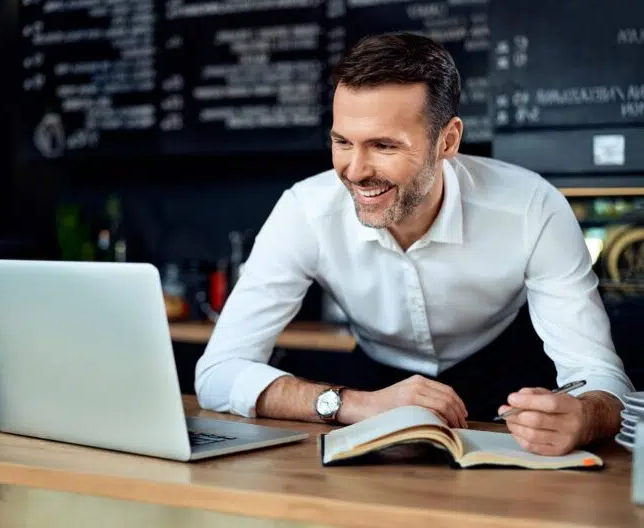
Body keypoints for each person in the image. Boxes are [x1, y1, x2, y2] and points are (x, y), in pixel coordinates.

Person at [195, 32, 632, 456]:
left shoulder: (533, 208)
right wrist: (355, 403)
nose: (356, 170)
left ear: (448, 140)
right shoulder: (305, 210)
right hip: (375, 388)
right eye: (342, 142)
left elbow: (601, 377)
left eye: (384, 145)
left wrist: (585, 416)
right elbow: (217, 373)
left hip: (508, 386)